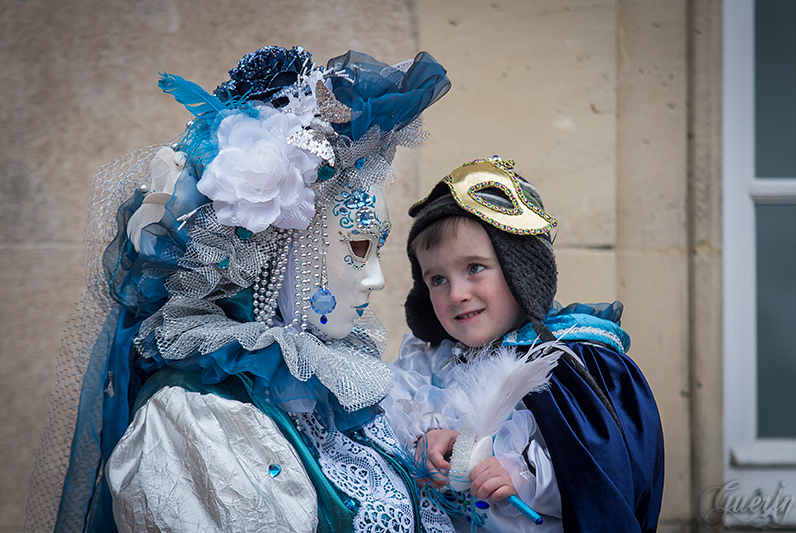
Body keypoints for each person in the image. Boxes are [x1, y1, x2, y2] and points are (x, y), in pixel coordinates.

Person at [22, 45, 454, 533]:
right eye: (357, 247)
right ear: (275, 251)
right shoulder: (193, 416)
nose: (375, 279)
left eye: (378, 249)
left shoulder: (335, 380)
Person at [381, 157, 665, 532]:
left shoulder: (568, 363)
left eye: (475, 268)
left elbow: (608, 477)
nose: (457, 294)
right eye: (437, 279)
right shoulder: (431, 367)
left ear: (523, 271)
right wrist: (427, 442)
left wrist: (527, 478)